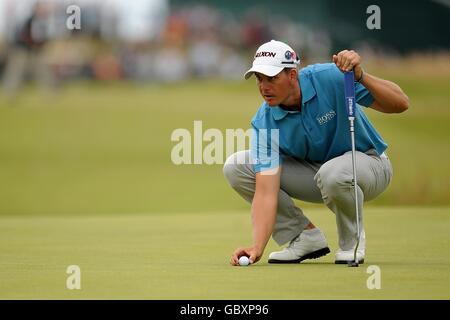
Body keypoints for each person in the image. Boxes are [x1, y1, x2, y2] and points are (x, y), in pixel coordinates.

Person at [223, 40, 409, 266]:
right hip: (320, 175)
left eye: (272, 78)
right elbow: (265, 192)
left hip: (370, 165)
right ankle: (303, 237)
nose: (264, 87)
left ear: (292, 75)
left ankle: (352, 244)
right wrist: (257, 246)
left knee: (334, 173)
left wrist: (361, 76)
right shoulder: (265, 122)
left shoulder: (331, 77)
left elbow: (400, 103)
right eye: (259, 79)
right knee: (237, 166)